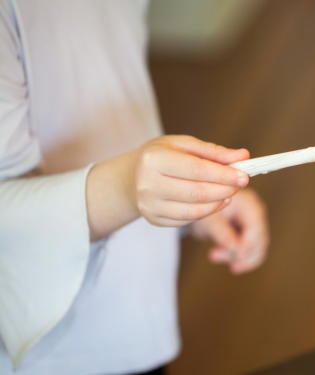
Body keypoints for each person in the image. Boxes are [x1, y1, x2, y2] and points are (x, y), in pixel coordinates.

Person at [0, 1, 269, 374]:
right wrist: (128, 186)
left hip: (141, 310)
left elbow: (109, 91)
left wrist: (188, 196)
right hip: (59, 345)